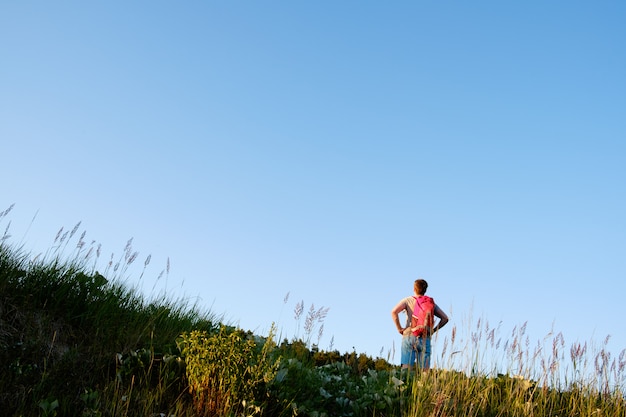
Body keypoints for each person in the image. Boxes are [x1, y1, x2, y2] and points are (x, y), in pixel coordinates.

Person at [391, 279, 448, 371]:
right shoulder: (430, 303)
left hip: (409, 335)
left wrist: (399, 328)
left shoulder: (407, 300)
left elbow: (394, 312)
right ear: (425, 290)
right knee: (424, 372)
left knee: (406, 370)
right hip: (425, 337)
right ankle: (423, 385)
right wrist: (433, 330)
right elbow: (445, 318)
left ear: (414, 288)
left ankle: (406, 384)